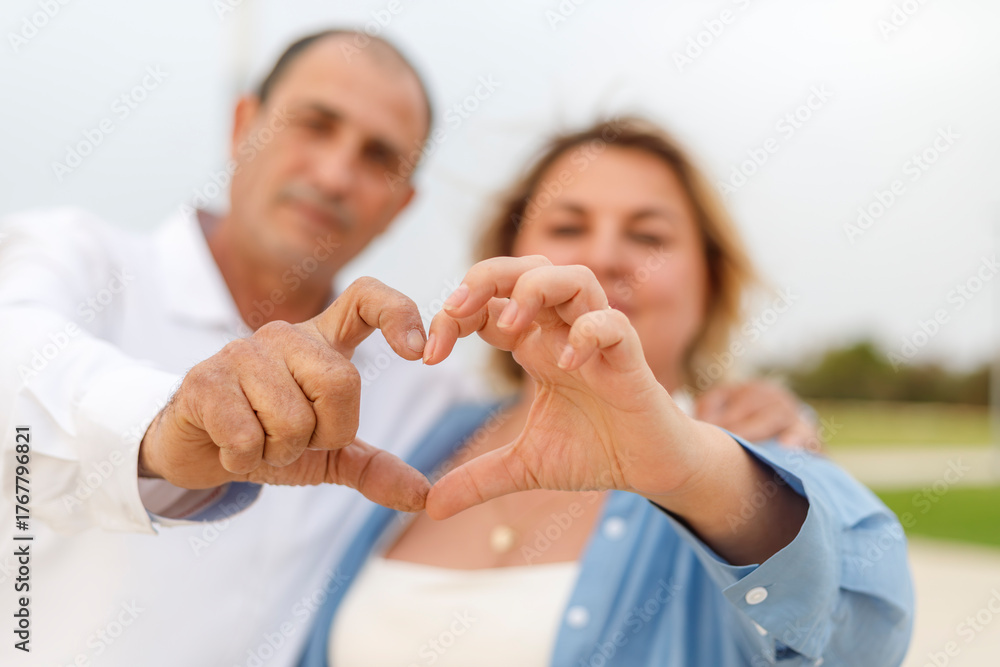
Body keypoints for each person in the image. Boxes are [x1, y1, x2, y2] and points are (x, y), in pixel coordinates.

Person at [0, 32, 815, 666]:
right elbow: (22, 379)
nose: (334, 172)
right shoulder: (73, 260)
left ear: (402, 203)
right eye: (314, 125)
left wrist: (761, 440)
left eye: (378, 157)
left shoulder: (418, 387)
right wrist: (166, 425)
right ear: (243, 124)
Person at [298, 118, 914, 666]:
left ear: (710, 281)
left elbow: (866, 627)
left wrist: (697, 474)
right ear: (506, 256)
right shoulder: (428, 425)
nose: (602, 257)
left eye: (649, 236)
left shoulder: (745, 453)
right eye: (568, 226)